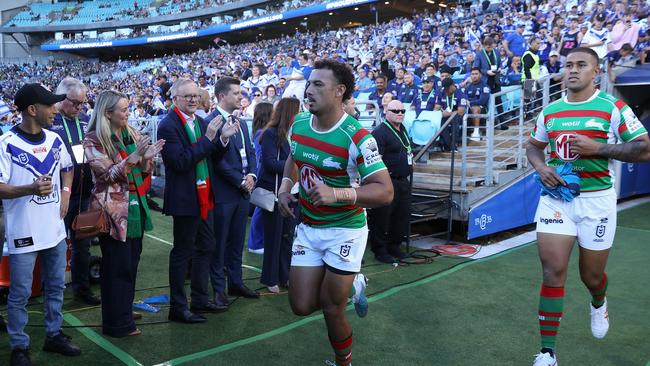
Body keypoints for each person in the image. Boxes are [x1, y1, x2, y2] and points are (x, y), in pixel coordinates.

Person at [526, 47, 650, 366]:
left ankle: (598, 301)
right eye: (568, 65)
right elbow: (534, 148)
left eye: (581, 65)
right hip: (557, 201)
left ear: (596, 73)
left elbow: (644, 149)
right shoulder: (550, 111)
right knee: (553, 270)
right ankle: (547, 352)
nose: (573, 70)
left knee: (591, 276)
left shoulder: (612, 107)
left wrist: (599, 148)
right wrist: (541, 169)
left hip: (597, 202)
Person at [277, 59, 394, 366]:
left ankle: (344, 362)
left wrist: (336, 193)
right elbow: (294, 156)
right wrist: (284, 187)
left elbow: (385, 191)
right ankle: (352, 283)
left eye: (318, 84)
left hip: (346, 229)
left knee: (332, 307)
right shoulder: (299, 124)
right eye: (309, 83)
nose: (309, 89)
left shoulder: (358, 137)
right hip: (309, 227)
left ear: (339, 91)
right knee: (300, 306)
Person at [1, 83, 81, 366]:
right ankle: (19, 347)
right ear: (32, 110)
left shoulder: (54, 139)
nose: (55, 110)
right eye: (49, 105)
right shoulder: (7, 144)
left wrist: (67, 195)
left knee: (56, 286)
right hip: (24, 231)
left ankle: (54, 334)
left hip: (55, 230)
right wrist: (30, 190)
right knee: (20, 293)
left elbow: (68, 168)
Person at [157, 79, 238, 323]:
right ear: (176, 99)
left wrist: (222, 139)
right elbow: (180, 161)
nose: (193, 99)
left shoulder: (201, 122)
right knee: (183, 252)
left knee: (207, 246)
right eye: (187, 96)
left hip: (204, 196)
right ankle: (178, 307)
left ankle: (200, 299)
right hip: (185, 199)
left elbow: (212, 156)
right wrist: (209, 138)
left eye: (195, 95)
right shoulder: (167, 125)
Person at [84, 90, 164, 338]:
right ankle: (116, 323)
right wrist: (134, 158)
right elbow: (106, 176)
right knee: (117, 268)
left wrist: (147, 158)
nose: (128, 113)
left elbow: (141, 167)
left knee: (129, 264)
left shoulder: (129, 131)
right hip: (112, 212)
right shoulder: (93, 139)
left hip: (134, 206)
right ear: (108, 113)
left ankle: (123, 311)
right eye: (123, 109)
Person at [207, 77, 260, 307]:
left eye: (241, 93)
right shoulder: (211, 121)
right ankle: (219, 290)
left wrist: (252, 176)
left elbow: (251, 152)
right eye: (236, 93)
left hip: (241, 192)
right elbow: (216, 161)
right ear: (221, 96)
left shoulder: (242, 122)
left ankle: (235, 282)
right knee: (219, 244)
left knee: (237, 241)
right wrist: (240, 180)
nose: (241, 97)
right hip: (224, 194)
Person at [49, 77, 100, 306]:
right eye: (75, 103)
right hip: (58, 196)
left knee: (83, 246)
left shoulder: (85, 121)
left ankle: (82, 289)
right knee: (56, 247)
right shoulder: (49, 121)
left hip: (84, 195)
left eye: (82, 103)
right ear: (61, 99)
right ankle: (53, 291)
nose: (79, 108)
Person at [258, 98, 300, 293]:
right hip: (274, 194)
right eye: (298, 111)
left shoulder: (296, 134)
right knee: (274, 238)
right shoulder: (271, 134)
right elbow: (268, 163)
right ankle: (270, 278)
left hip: (292, 193)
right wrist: (295, 167)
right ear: (290, 113)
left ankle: (285, 276)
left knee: (287, 237)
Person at [367, 100, 412, 264]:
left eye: (402, 111)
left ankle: (394, 246)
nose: (400, 113)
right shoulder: (380, 132)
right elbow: (374, 159)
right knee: (382, 217)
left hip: (402, 181)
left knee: (401, 215)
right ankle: (380, 250)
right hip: (387, 181)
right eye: (396, 111)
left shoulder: (402, 129)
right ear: (386, 111)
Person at [248, 102, 275, 255]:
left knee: (264, 207)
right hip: (263, 174)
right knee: (261, 207)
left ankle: (258, 241)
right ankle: (256, 243)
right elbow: (262, 157)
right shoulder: (261, 133)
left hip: (263, 173)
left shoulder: (262, 132)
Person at [434, 78, 467, 152]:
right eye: (445, 89)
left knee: (455, 121)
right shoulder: (441, 92)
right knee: (439, 122)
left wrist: (448, 113)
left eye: (447, 89)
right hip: (444, 115)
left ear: (452, 86)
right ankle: (448, 145)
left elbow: (461, 112)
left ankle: (453, 145)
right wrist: (441, 111)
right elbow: (436, 107)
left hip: (456, 116)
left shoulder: (460, 94)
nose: (446, 91)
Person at [465, 68, 491, 141]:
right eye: (472, 74)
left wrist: (470, 102)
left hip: (482, 109)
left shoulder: (485, 86)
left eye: (476, 74)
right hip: (468, 108)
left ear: (480, 75)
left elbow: (482, 101)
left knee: (475, 108)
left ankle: (476, 133)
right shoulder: (468, 87)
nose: (474, 76)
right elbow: (465, 98)